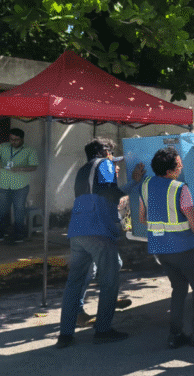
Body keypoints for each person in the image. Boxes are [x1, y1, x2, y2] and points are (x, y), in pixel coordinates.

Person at [55, 138, 144, 348]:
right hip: (98, 230)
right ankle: (103, 329)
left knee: (74, 284)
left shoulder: (83, 170)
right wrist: (134, 181)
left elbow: (99, 195)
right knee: (110, 279)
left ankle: (65, 335)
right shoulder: (103, 164)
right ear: (105, 152)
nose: (113, 159)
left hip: (78, 231)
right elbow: (110, 193)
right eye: (111, 153)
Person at [138, 147, 194, 348]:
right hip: (186, 248)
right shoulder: (180, 188)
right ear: (171, 170)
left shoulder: (145, 185)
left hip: (161, 250)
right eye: (179, 165)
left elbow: (142, 218)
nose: (181, 167)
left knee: (178, 288)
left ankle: (175, 335)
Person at [0, 128, 38, 243]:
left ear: (22, 139)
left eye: (16, 140)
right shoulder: (3, 147)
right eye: (11, 139)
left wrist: (20, 168)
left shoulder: (29, 150)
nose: (13, 142)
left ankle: (19, 234)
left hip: (20, 186)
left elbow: (34, 166)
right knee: (2, 210)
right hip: (3, 184)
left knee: (19, 210)